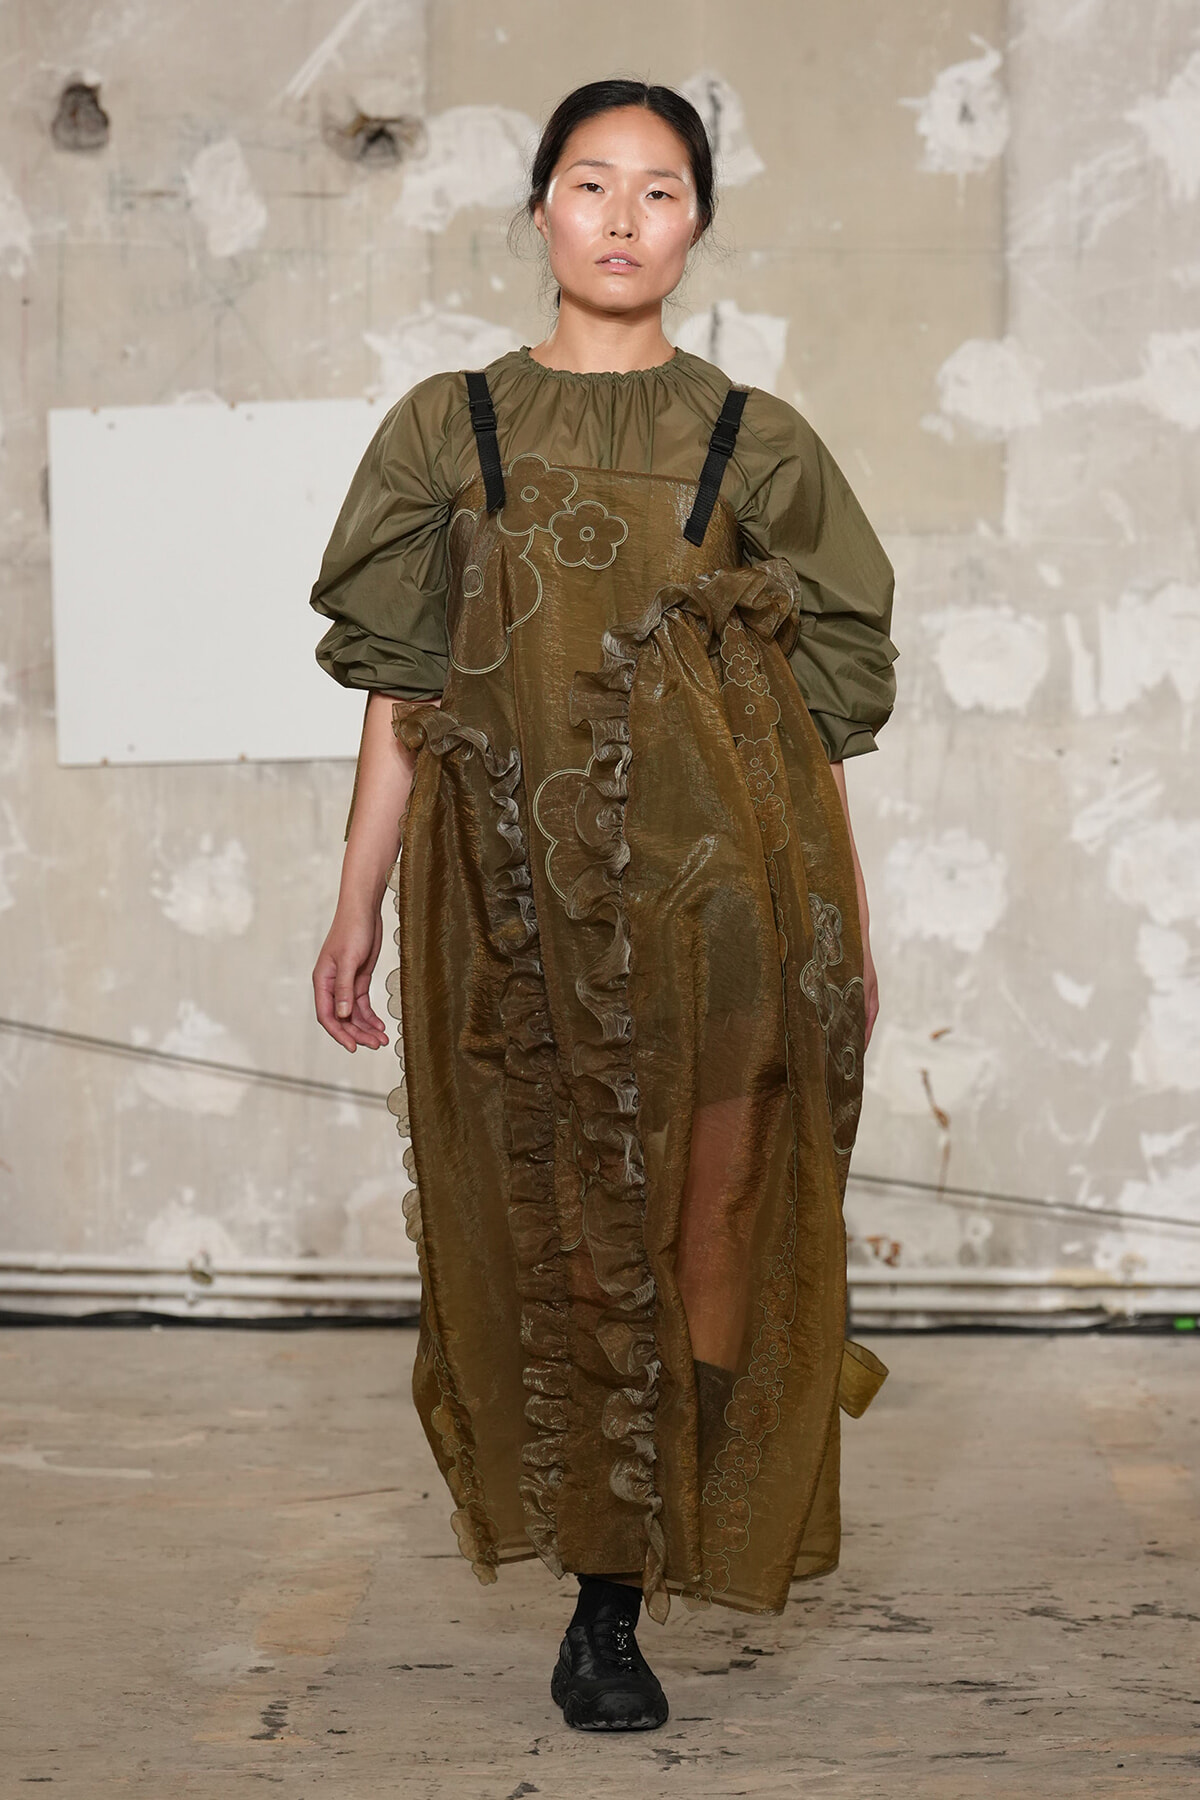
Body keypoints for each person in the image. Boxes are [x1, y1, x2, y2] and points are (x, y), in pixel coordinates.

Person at [309, 78, 897, 1734]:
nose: (623, 217)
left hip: (719, 913)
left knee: (703, 1225)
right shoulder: (454, 428)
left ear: (696, 221)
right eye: (590, 183)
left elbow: (810, 723)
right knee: (559, 1225)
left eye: (658, 189)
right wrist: (353, 900)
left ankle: (635, 1579)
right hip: (506, 903)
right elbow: (401, 686)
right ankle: (602, 1579)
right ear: (542, 211)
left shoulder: (752, 441)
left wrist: (847, 926)